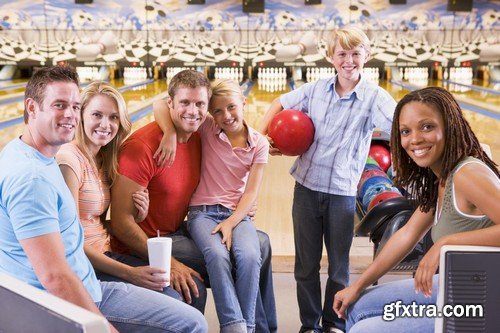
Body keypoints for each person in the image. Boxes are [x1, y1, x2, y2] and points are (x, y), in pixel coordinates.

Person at [0, 66, 207, 333]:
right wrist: (101, 326)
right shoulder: (36, 176)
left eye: (74, 106)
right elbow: (54, 275)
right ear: (31, 107)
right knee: (190, 321)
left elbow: (73, 228)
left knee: (188, 306)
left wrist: (136, 214)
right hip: (65, 301)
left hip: (86, 281)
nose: (70, 115)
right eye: (59, 105)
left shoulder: (32, 153)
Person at [110, 70, 277, 332]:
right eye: (184, 103)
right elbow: (120, 224)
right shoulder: (143, 148)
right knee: (238, 255)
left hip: (180, 230)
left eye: (200, 104)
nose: (193, 111)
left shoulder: (202, 134)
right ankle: (239, 325)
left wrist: (239, 209)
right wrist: (171, 263)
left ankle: (260, 328)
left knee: (261, 244)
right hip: (151, 242)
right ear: (171, 105)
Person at [259, 27, 396, 333]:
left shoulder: (375, 97)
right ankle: (309, 325)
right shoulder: (314, 90)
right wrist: (262, 137)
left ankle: (334, 323)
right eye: (342, 54)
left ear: (367, 56)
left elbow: (401, 121)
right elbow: (279, 103)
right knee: (305, 266)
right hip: (306, 189)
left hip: (343, 194)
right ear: (330, 57)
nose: (349, 61)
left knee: (338, 268)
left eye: (355, 54)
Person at [333, 86, 500, 332]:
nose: (415, 139)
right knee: (357, 306)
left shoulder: (468, 174)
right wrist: (357, 285)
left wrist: (446, 243)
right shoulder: (440, 179)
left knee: (363, 330)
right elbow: (407, 235)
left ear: (449, 127)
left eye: (427, 126)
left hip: (486, 305)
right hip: (461, 290)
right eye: (405, 131)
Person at [154, 78, 268, 332]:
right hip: (202, 214)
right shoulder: (207, 127)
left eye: (231, 107)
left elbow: (251, 192)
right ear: (210, 114)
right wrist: (170, 133)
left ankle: (246, 326)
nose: (225, 116)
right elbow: (160, 103)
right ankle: (232, 324)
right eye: (216, 110)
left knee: (250, 256)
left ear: (244, 103)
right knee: (217, 256)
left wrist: (231, 222)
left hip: (237, 215)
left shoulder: (260, 144)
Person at [56, 81, 182, 300]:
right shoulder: (69, 161)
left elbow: (95, 222)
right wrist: (131, 274)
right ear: (81, 115)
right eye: (97, 115)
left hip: (106, 254)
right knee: (172, 297)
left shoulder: (103, 160)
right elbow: (70, 240)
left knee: (176, 289)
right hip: (85, 268)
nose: (106, 124)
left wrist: (138, 214)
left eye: (114, 117)